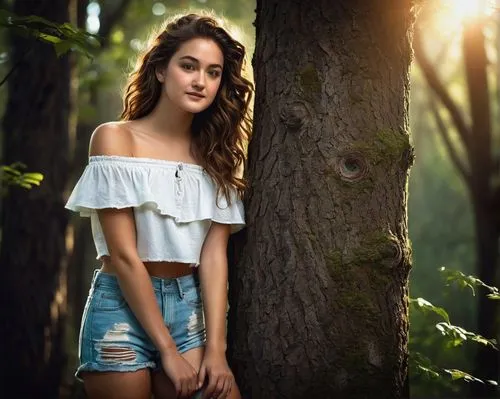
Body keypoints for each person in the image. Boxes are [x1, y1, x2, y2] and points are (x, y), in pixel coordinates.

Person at [65, 12, 253, 399]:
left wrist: (217, 352)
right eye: (189, 66)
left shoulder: (218, 155)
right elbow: (123, 255)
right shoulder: (115, 140)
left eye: (214, 72)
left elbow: (215, 256)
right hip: (120, 306)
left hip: (189, 308)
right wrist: (166, 350)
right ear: (161, 70)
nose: (201, 81)